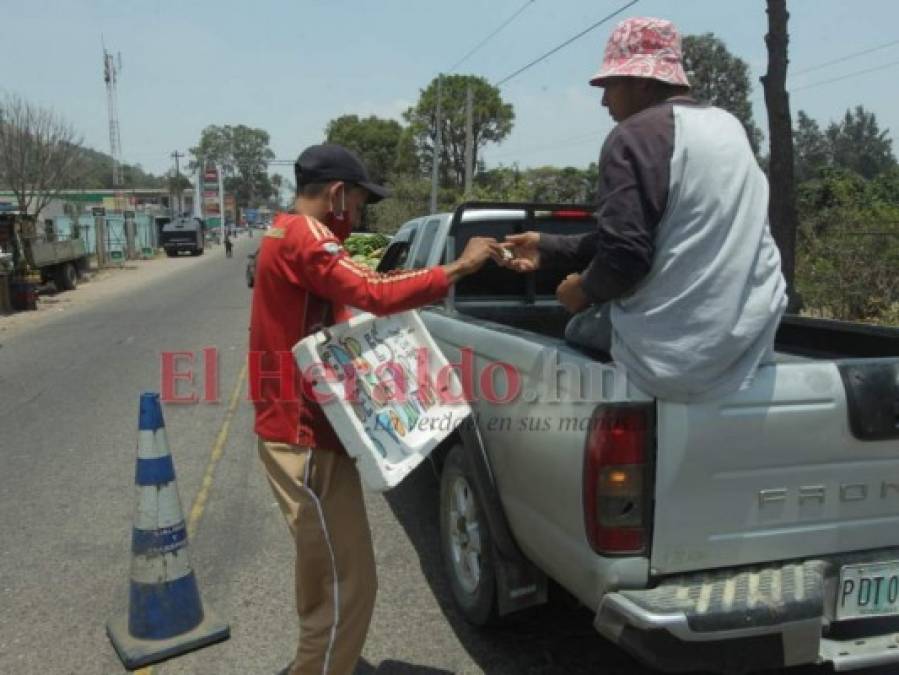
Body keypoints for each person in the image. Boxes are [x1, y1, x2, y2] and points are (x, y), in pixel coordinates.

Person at [248, 143, 497, 675]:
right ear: (337, 194)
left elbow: (346, 300)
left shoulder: (281, 231)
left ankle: (313, 662)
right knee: (346, 583)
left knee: (324, 576)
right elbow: (374, 291)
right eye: (358, 205)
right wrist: (459, 268)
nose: (357, 217)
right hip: (304, 436)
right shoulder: (307, 234)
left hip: (298, 430)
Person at [500, 17, 787, 402]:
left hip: (672, 359)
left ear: (641, 81)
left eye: (609, 86)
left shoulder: (633, 136)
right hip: (749, 343)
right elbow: (655, 234)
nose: (604, 101)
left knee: (576, 330)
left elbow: (624, 258)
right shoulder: (728, 127)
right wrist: (548, 245)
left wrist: (581, 291)